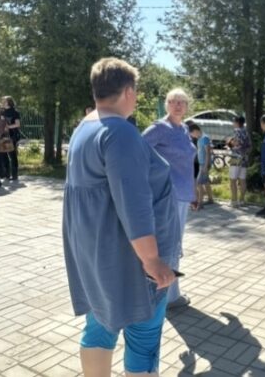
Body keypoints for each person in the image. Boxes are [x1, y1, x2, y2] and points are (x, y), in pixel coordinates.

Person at [62, 57, 178, 376]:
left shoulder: (85, 128)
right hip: (131, 261)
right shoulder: (120, 133)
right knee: (143, 336)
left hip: (98, 256)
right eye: (136, 92)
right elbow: (133, 202)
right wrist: (152, 260)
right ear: (128, 91)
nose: (136, 98)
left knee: (99, 327)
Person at [143, 88, 197, 311]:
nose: (177, 105)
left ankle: (169, 292)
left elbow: (186, 164)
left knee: (175, 243)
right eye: (173, 101)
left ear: (187, 107)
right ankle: (167, 296)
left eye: (182, 102)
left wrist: (193, 193)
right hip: (167, 195)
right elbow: (137, 152)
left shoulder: (183, 129)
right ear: (166, 105)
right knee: (169, 244)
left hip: (183, 195)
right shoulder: (159, 128)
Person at [227, 116, 252, 207]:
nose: (233, 123)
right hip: (244, 158)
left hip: (236, 157)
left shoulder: (236, 131)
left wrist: (229, 142)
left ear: (237, 122)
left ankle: (234, 201)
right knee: (242, 180)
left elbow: (236, 144)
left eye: (233, 122)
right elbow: (250, 146)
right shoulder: (246, 132)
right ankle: (242, 200)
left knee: (232, 180)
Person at [192, 123, 215, 206]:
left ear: (195, 131)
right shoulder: (199, 138)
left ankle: (200, 203)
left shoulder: (205, 138)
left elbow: (208, 153)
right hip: (201, 163)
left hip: (204, 164)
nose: (193, 136)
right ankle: (210, 199)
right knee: (206, 182)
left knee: (199, 183)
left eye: (192, 134)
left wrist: (205, 166)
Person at [0, 96, 22, 182]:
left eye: (4, 101)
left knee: (12, 155)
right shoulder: (1, 112)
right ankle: (6, 175)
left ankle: (15, 175)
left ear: (9, 102)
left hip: (12, 135)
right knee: (4, 155)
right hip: (3, 135)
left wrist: (8, 126)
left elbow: (17, 124)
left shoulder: (15, 112)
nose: (2, 102)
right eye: (2, 101)